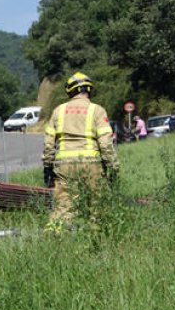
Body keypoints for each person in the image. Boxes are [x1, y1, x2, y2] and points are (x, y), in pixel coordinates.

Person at [42, 72, 119, 230]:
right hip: (92, 165)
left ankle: (56, 239)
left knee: (64, 207)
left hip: (64, 166)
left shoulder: (58, 111)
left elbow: (49, 142)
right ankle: (96, 240)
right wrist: (113, 166)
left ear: (70, 91)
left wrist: (47, 166)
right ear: (89, 90)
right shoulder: (97, 110)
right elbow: (105, 143)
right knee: (98, 208)